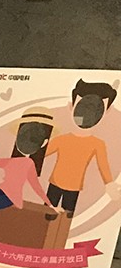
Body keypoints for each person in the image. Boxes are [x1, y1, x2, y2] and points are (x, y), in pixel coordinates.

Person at [43, 80, 116, 216]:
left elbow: (103, 166)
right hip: (55, 183)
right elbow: (42, 154)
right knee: (46, 214)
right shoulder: (62, 139)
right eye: (82, 107)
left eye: (97, 109)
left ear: (107, 111)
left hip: (74, 187)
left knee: (66, 218)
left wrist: (109, 184)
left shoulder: (97, 144)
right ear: (71, 106)